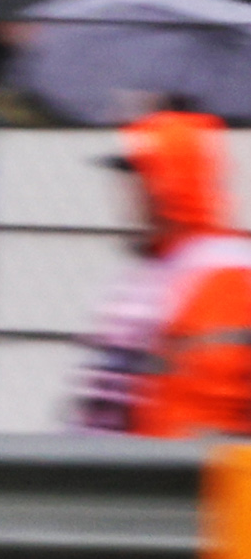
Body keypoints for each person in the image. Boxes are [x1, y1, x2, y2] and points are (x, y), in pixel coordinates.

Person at [77, 102, 251, 433]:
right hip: (122, 468)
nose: (126, 196)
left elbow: (207, 415)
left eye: (140, 179)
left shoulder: (219, 273)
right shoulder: (158, 268)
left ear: (165, 188)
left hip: (168, 475)